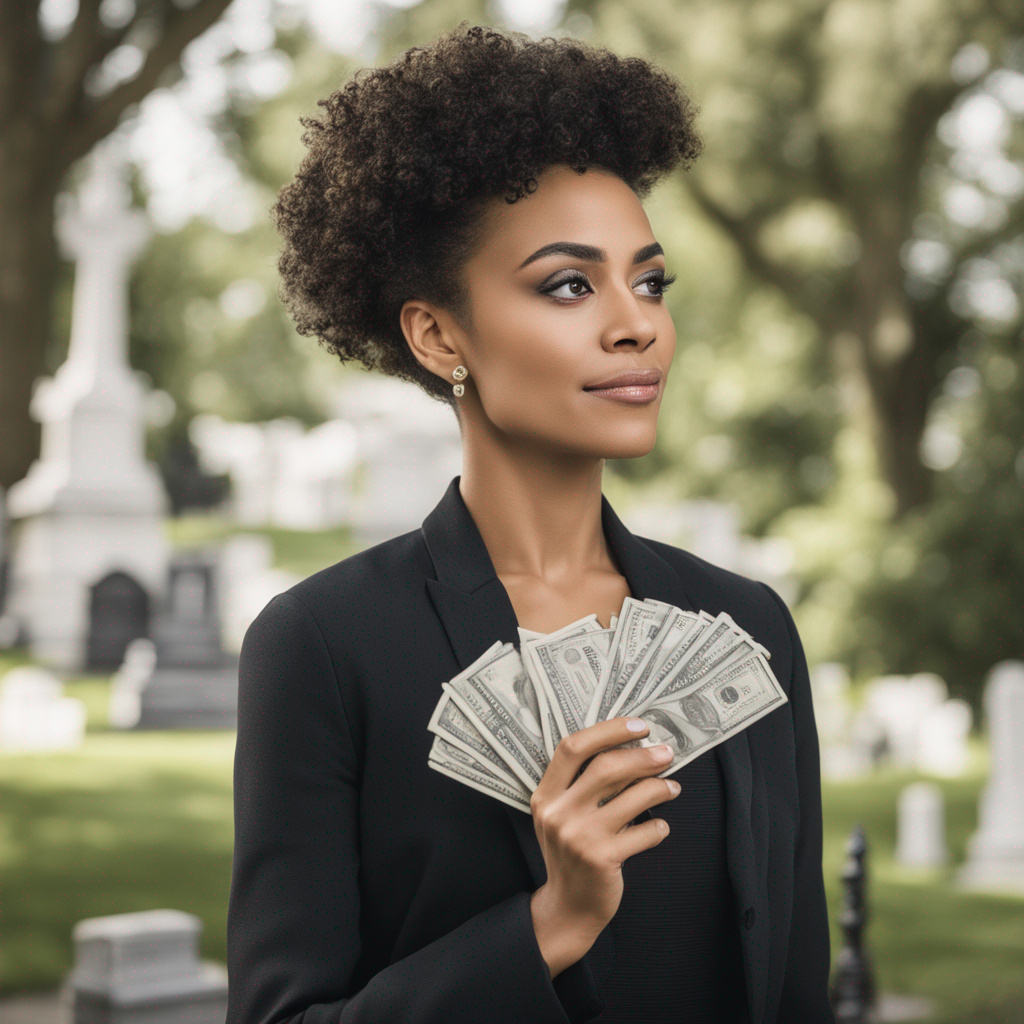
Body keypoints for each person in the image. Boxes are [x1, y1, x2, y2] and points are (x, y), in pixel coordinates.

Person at [225, 21, 836, 1024]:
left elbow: (795, 987)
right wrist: (549, 923)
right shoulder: (324, 645)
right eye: (567, 283)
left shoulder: (749, 625)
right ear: (437, 333)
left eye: (648, 280)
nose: (634, 321)